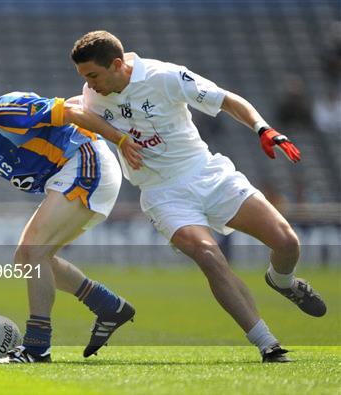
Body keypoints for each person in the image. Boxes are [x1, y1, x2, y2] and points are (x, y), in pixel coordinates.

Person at [70, 31, 327, 363]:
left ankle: (282, 280)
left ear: (117, 64)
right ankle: (268, 345)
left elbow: (228, 100)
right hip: (162, 192)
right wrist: (118, 139)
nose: (88, 85)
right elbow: (78, 112)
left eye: (93, 75)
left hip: (206, 172)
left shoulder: (165, 76)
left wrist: (264, 129)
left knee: (287, 242)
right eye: (83, 78)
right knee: (208, 255)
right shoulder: (92, 94)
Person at [0, 84, 136, 363]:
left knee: (32, 252)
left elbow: (72, 111)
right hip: (73, 175)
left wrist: (122, 141)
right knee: (28, 258)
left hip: (87, 161)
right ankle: (109, 306)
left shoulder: (8, 109)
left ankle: (36, 347)